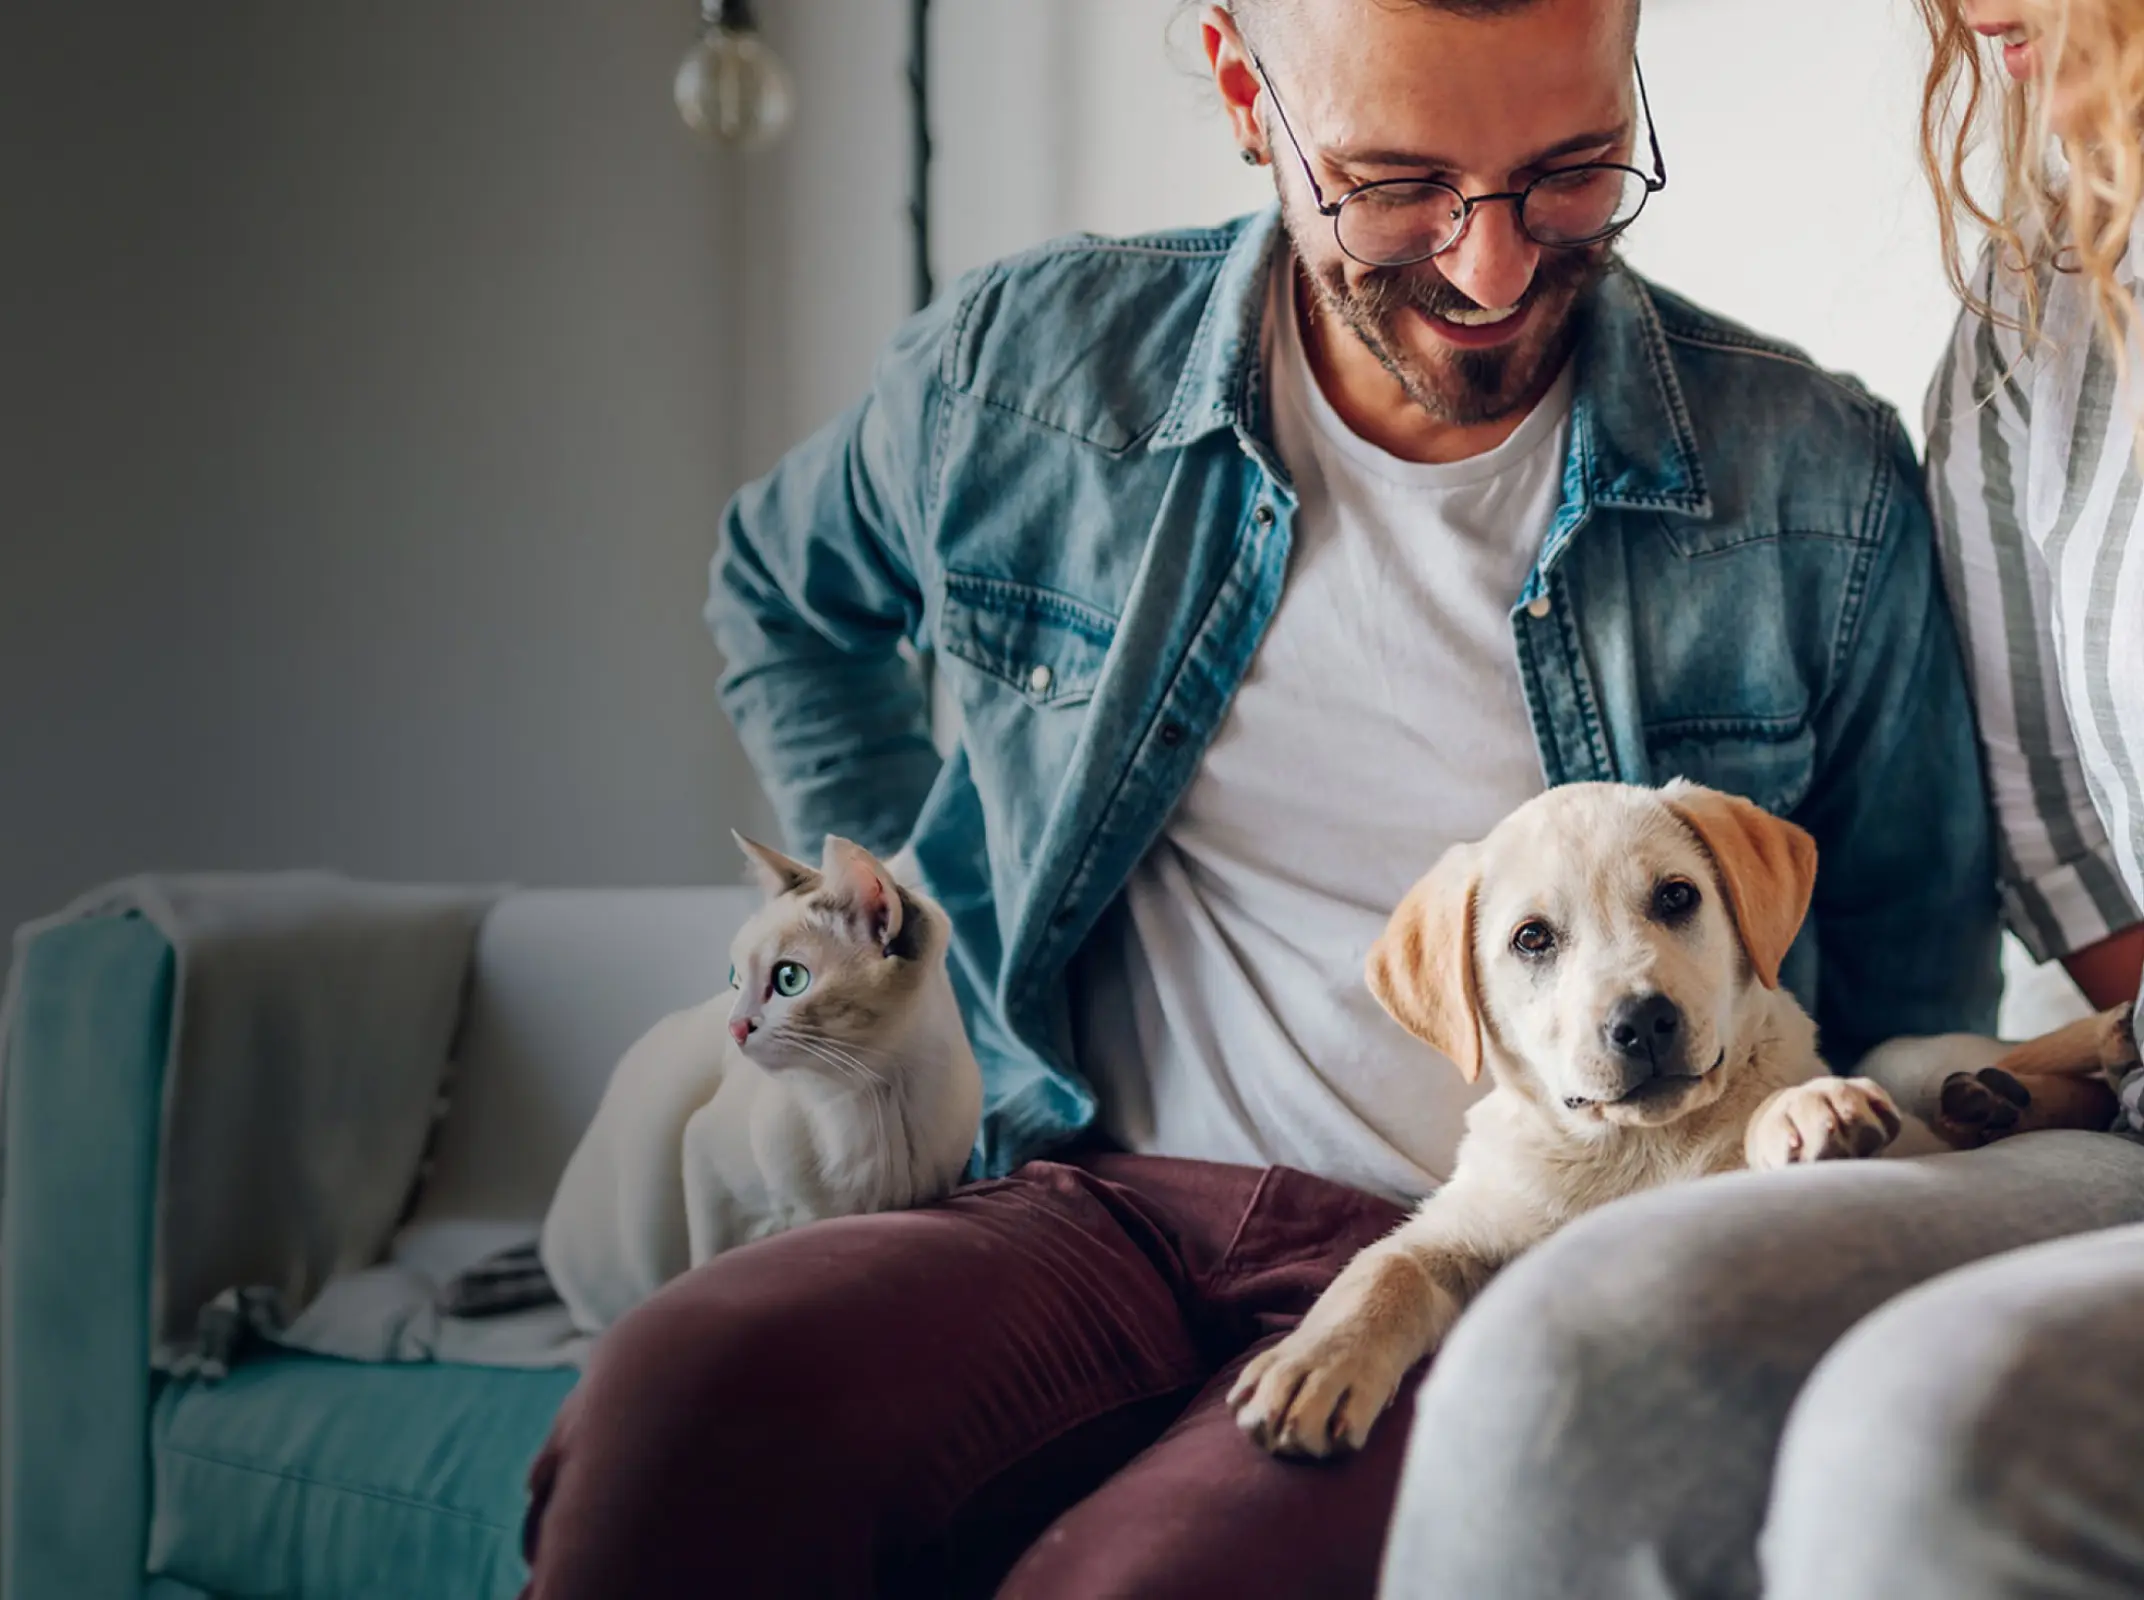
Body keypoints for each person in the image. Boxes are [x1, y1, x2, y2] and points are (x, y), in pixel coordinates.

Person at [519, 0, 2008, 1594]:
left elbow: (1909, 983)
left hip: (1497, 1254)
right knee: (670, 1416)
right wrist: (912, 928)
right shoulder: (1027, 377)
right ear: (1248, 91)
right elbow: (781, 592)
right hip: (1083, 1198)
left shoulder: (1814, 485)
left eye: (1571, 171)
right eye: (1395, 184)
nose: (1490, 268)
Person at [1378, 1, 2144, 1594]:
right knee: (1567, 1355)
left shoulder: (1813, 466)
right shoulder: (2035, 315)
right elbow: (2070, 851)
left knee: (1927, 1434)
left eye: (1569, 169)